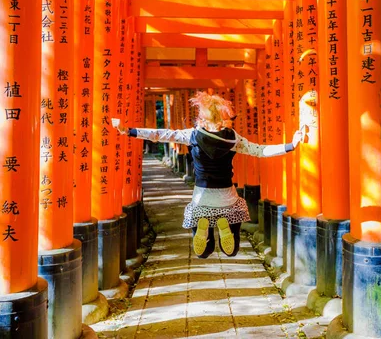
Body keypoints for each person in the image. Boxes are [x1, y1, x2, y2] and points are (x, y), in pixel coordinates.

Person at [117, 91, 303, 258]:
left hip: (201, 197)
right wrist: (290, 146)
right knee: (233, 246)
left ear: (202, 119)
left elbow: (162, 134)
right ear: (222, 118)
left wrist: (130, 131)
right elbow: (260, 151)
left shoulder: (192, 136)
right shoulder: (232, 137)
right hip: (227, 196)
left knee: (204, 252)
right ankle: (225, 227)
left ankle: (204, 231)